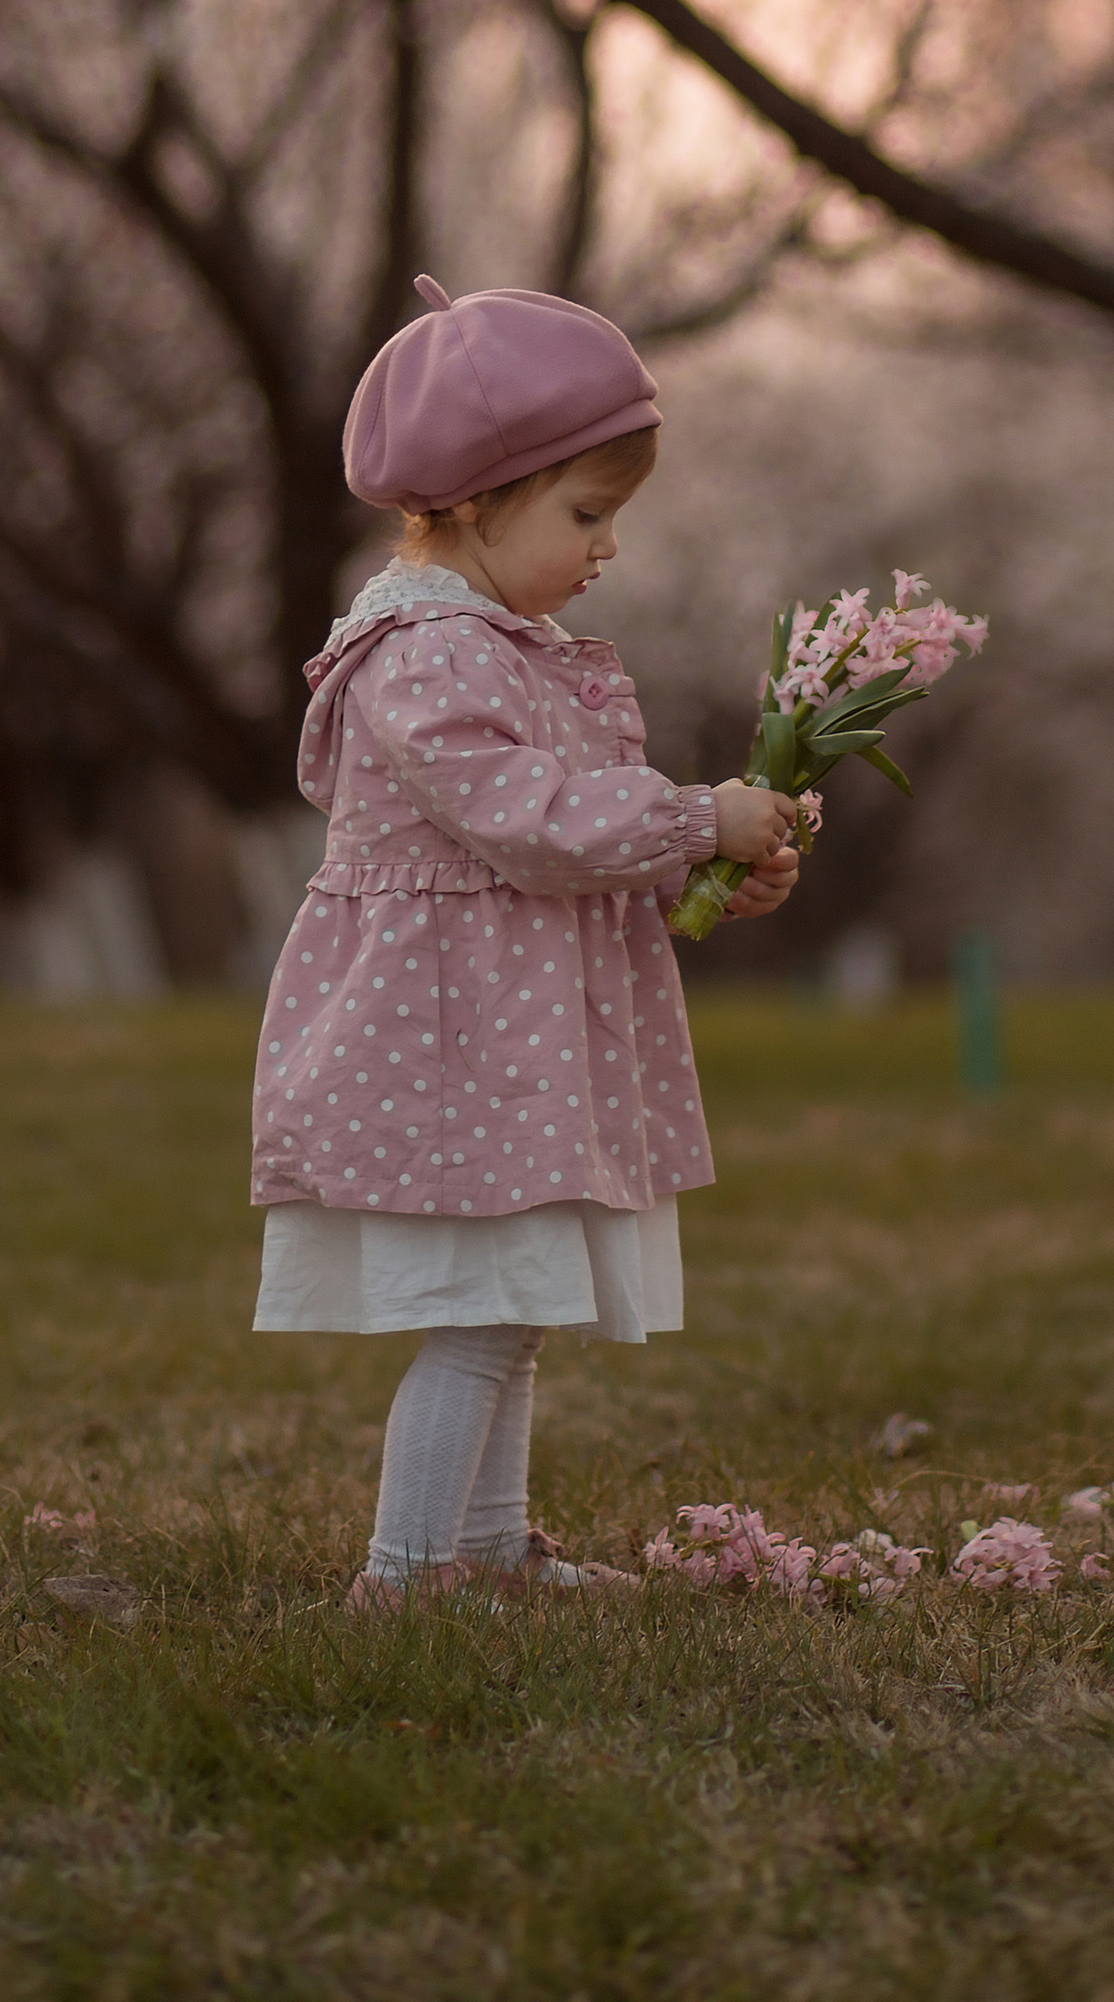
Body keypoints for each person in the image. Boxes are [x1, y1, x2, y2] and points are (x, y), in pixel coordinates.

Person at [250, 273, 799, 1601]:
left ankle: (488, 1551)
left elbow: (569, 851)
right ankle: (403, 1576)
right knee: (480, 1317)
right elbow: (529, 821)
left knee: (516, 1307)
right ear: (477, 498)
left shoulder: (506, 643)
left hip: (511, 1034)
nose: (607, 548)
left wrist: (698, 872)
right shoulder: (427, 653)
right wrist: (693, 816)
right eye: (586, 513)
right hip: (457, 1047)